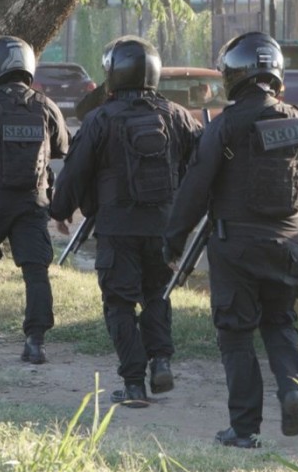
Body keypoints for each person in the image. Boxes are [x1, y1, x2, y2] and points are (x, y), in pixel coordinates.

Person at [165, 31, 298, 449]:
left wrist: (173, 241)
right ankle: (292, 391)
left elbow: (194, 189)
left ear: (234, 74)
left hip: (235, 247)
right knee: (280, 323)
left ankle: (244, 429)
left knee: (236, 335)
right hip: (289, 247)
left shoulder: (225, 125)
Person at [50, 37, 201, 405]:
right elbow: (203, 163)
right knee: (157, 295)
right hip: (164, 228)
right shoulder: (177, 115)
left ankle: (134, 383)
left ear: (113, 73)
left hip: (117, 229)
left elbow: (74, 172)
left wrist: (60, 210)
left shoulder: (100, 118)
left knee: (119, 303)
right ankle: (161, 360)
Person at [0, 36, 69, 362]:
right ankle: (35, 340)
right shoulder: (46, 106)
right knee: (35, 270)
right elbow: (62, 148)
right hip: (32, 202)